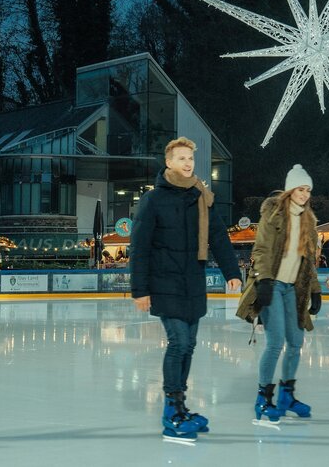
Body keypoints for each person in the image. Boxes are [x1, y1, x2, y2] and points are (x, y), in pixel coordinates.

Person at [129, 137, 243, 441]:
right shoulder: (153, 200)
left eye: (190, 158)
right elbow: (139, 248)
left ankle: (181, 406)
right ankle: (171, 412)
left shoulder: (200, 197)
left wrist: (232, 272)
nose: (188, 163)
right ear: (169, 163)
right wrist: (140, 289)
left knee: (189, 345)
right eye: (181, 158)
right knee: (179, 342)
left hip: (193, 282)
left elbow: (218, 237)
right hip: (164, 283)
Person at [236, 164, 323, 424]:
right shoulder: (273, 214)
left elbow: (308, 261)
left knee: (296, 342)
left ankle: (287, 396)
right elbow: (262, 249)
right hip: (272, 285)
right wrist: (263, 280)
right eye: (300, 189)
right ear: (289, 190)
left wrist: (315, 290)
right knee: (275, 343)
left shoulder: (308, 221)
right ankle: (263, 399)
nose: (305, 194)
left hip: (293, 289)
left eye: (308, 190)